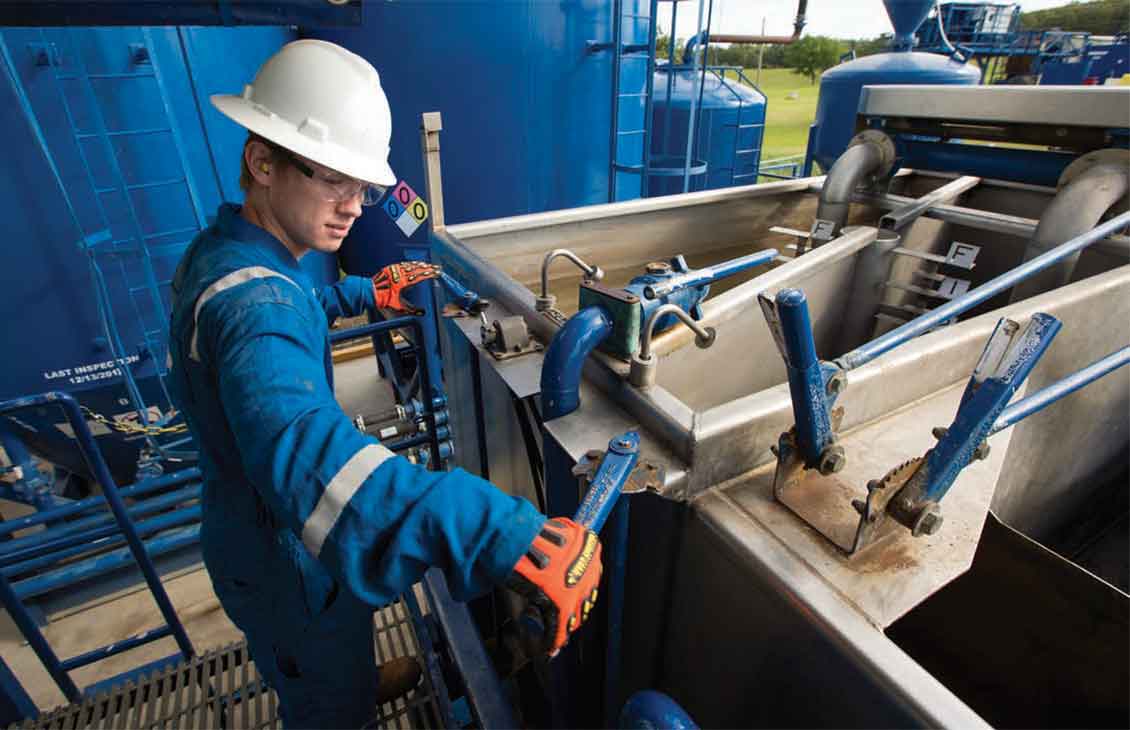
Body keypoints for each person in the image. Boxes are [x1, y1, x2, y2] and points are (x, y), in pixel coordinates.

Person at [166, 39, 602, 728]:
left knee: (330, 653)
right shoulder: (256, 308)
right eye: (333, 180)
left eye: (363, 188)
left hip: (255, 532)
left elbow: (283, 313)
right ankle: (341, 699)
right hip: (285, 557)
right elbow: (313, 464)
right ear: (263, 162)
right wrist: (499, 530)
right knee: (325, 706)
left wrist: (365, 292)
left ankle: (351, 678)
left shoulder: (230, 250)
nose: (354, 207)